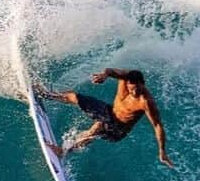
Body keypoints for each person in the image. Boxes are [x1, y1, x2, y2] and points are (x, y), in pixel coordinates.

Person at [39, 68, 174, 167]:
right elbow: (110, 71)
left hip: (118, 129)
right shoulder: (124, 77)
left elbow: (157, 125)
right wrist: (104, 75)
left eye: (137, 89)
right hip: (109, 112)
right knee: (75, 97)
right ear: (127, 82)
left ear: (143, 84)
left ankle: (62, 151)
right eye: (132, 89)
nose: (134, 92)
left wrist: (162, 151)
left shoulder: (146, 102)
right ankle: (46, 94)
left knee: (96, 128)